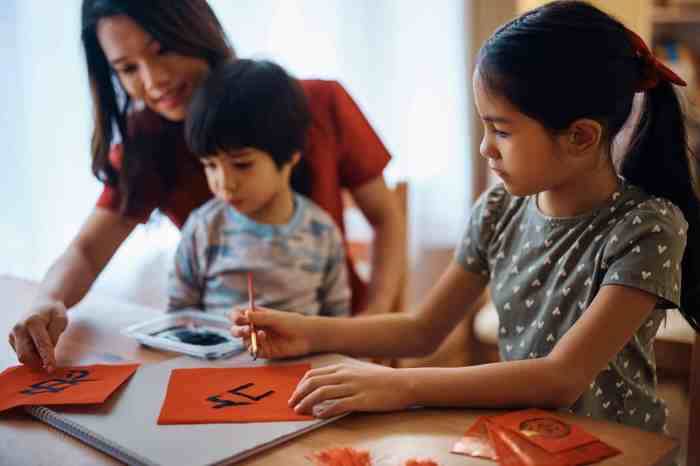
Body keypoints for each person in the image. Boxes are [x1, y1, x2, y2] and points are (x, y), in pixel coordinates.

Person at [231, 0, 700, 434]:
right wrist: (306, 331)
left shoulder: (648, 228)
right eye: (484, 125)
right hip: (523, 439)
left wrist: (401, 386)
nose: (485, 148)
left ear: (579, 136)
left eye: (501, 129)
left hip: (616, 449)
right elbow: (422, 329)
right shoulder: (498, 209)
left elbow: (561, 377)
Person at [8, 0, 404, 373]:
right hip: (227, 363)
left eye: (162, 50)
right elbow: (87, 250)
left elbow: (387, 218)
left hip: (338, 349)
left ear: (196, 30)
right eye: (128, 69)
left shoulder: (316, 102)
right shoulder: (146, 140)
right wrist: (48, 300)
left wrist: (376, 322)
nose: (154, 80)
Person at [169, 58, 350, 318]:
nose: (224, 183)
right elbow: (177, 317)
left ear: (290, 155)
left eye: (242, 165)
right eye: (210, 165)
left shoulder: (321, 232)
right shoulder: (204, 229)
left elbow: (339, 325)